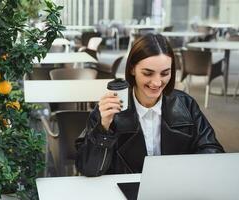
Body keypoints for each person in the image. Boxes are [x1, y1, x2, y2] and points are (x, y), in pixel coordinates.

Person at [75, 33, 224, 177]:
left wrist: (185, 174)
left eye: (165, 73)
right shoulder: (108, 109)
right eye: (148, 73)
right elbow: (89, 169)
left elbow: (212, 151)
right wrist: (104, 128)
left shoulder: (186, 104)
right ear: (132, 69)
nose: (157, 83)